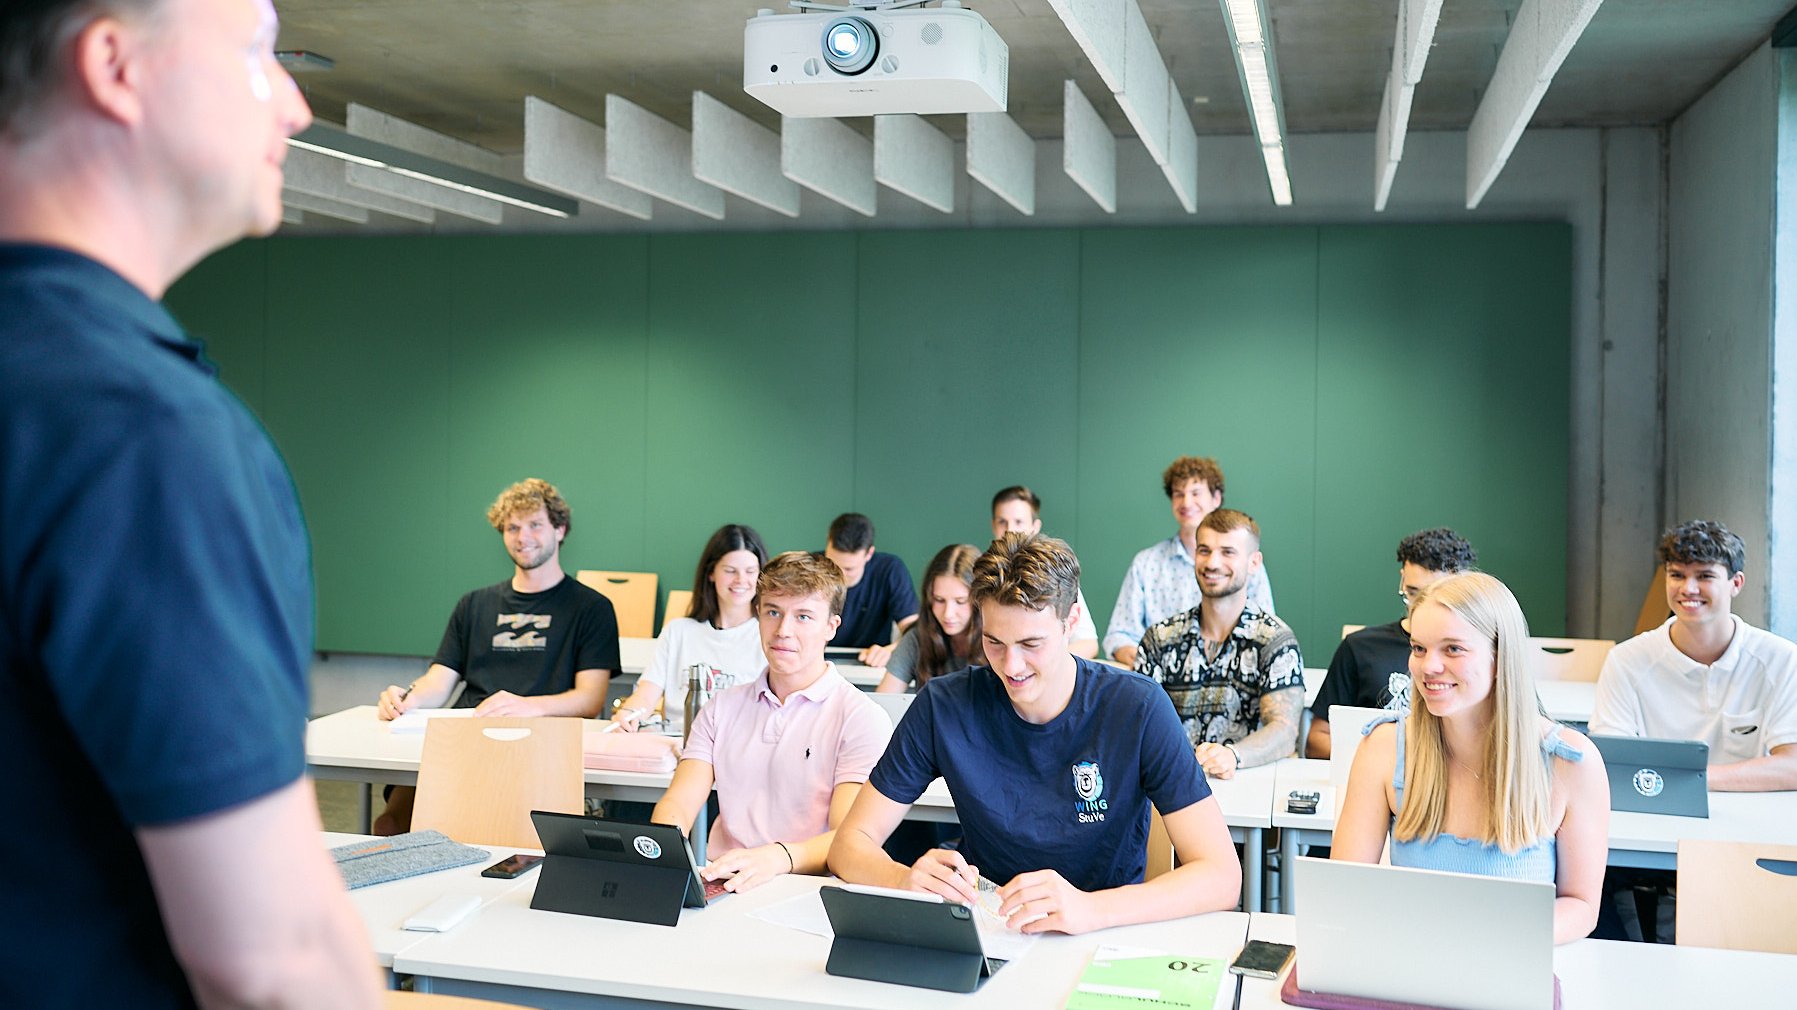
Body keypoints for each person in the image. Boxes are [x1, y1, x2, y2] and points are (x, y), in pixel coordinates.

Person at [0, 1, 380, 1006]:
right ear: (114, 64)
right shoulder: (137, 432)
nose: (296, 105)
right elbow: (274, 960)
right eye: (259, 53)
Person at [829, 533, 1242, 935]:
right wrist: (902, 880)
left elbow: (1221, 876)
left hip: (1106, 931)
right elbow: (850, 844)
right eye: (994, 641)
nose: (1012, 666)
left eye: (1031, 643)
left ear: (1071, 622)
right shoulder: (944, 705)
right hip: (989, 930)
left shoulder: (1138, 707)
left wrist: (1090, 909)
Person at [1332, 572, 1609, 944]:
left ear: (1500, 656)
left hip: (1511, 960)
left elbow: (1581, 905)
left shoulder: (1571, 763)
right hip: (1411, 959)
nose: (1428, 667)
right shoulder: (1383, 747)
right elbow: (1345, 891)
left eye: (1453, 649)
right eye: (1418, 648)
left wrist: (1487, 940)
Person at [374, 478, 621, 833]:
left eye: (535, 525)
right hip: (465, 741)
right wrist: (405, 699)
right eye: (512, 527)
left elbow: (589, 699)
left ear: (560, 530)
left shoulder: (592, 608)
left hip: (541, 747)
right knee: (392, 822)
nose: (523, 537)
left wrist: (529, 706)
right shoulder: (474, 604)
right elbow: (438, 682)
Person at [652, 552, 892, 893]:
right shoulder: (722, 706)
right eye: (773, 612)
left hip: (809, 890)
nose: (783, 631)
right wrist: (662, 858)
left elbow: (849, 838)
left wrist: (777, 858)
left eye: (804, 616)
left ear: (831, 627)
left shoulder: (859, 717)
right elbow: (679, 802)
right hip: (724, 883)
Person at [1591, 520, 1797, 791]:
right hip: (1658, 808)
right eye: (1676, 575)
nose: (1688, 589)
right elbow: (1609, 762)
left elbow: (1792, 766)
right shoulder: (1626, 660)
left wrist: (1692, 779)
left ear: (1736, 583)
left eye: (1704, 576)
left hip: (1750, 817)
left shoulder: (1781, 659)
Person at [1135, 509, 1304, 778]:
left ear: (1254, 562)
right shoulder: (1160, 639)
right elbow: (1137, 722)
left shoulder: (1274, 641)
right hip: (1166, 788)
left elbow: (1284, 730)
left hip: (1246, 787)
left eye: (1228, 552)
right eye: (1204, 550)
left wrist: (1233, 755)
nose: (1212, 563)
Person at [1307, 528, 1479, 758]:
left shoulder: (1481, 653)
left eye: (1436, 596)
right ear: (1402, 579)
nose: (1419, 607)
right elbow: (1318, 738)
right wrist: (1379, 763)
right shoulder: (1360, 647)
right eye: (1412, 593)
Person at [1105, 456, 1275, 666]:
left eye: (1196, 493)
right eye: (1178, 494)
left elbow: (1265, 633)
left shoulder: (1244, 565)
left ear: (1216, 498)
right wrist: (1153, 662)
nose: (1186, 502)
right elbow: (1119, 635)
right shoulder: (1146, 563)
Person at [614, 524, 768, 735]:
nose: (741, 580)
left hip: (738, 748)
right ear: (711, 573)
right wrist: (629, 714)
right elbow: (647, 694)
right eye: (730, 571)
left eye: (750, 571)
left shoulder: (768, 636)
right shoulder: (678, 632)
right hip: (679, 745)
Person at [990, 486, 1100, 659]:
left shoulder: (1056, 575)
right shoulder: (982, 576)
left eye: (1019, 522)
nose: (1009, 530)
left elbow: (1088, 643)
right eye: (1002, 522)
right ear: (993, 526)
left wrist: (1041, 660)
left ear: (1035, 527)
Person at [875, 544, 983, 693]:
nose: (948, 614)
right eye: (939, 600)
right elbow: (884, 702)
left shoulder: (997, 641)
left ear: (980, 600)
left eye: (960, 601)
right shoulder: (917, 638)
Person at [822, 512, 919, 662]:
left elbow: (914, 630)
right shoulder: (812, 570)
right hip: (818, 660)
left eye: (849, 569)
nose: (838, 574)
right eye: (833, 564)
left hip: (871, 662)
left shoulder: (889, 570)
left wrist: (891, 650)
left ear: (869, 554)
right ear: (828, 543)